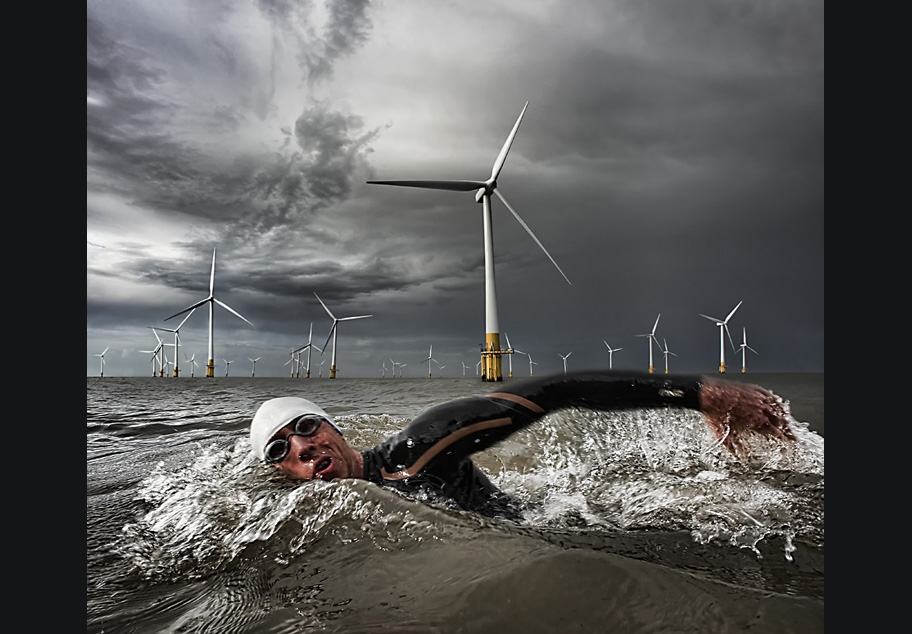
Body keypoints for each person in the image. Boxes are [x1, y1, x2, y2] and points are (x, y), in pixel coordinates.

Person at [249, 370, 794, 518]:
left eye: (305, 427)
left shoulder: (418, 449)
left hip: (563, 526)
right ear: (280, 473)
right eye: (280, 451)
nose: (301, 447)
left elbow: (553, 392)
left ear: (335, 430)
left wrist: (698, 393)